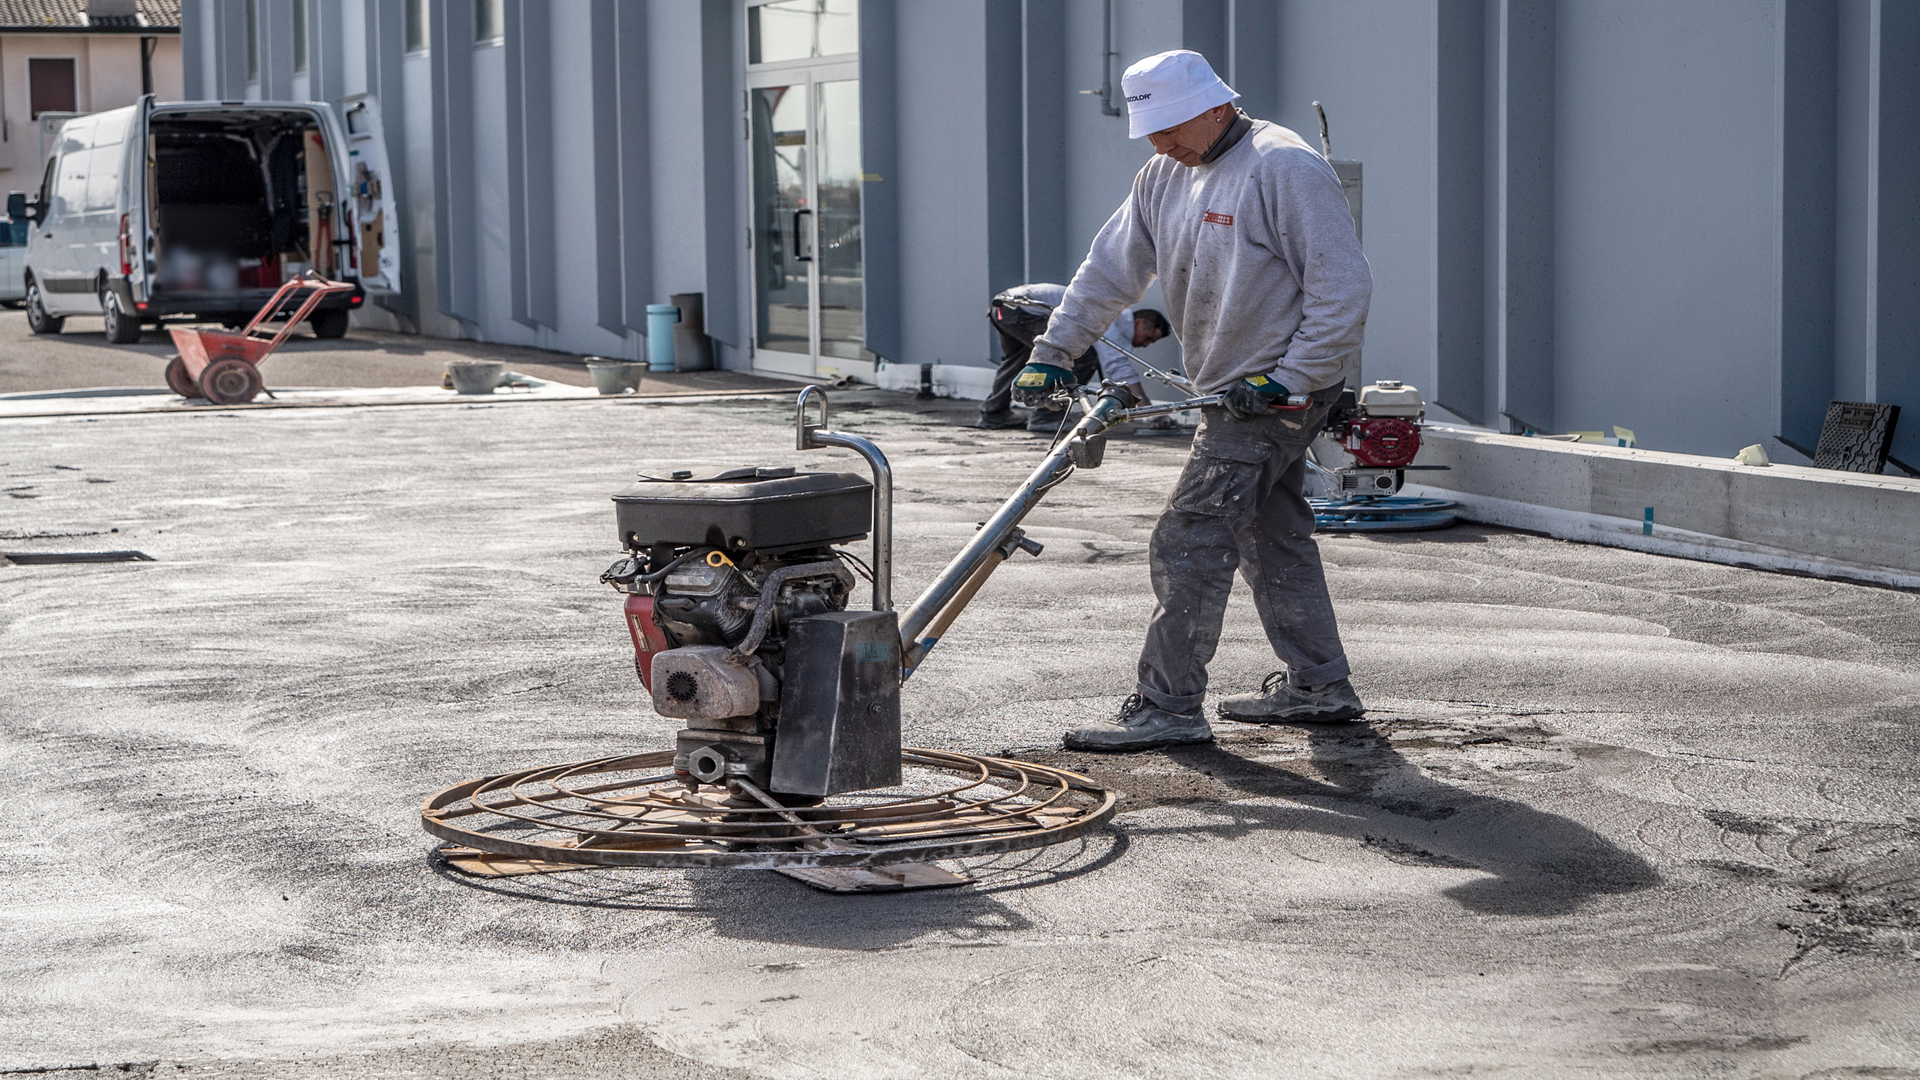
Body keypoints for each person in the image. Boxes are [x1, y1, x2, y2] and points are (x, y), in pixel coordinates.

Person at [1015, 50, 1373, 752]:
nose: (1160, 143)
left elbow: (1342, 290)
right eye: (1150, 131)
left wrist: (1293, 379)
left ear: (1217, 107)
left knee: (1190, 536)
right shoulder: (1164, 173)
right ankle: (1321, 684)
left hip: (1276, 392)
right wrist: (1054, 351)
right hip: (1227, 384)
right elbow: (1110, 267)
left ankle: (1168, 704)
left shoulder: (1283, 167)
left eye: (1172, 127)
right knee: (1268, 534)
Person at [977, 284, 1170, 432]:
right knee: (1079, 356)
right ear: (1140, 322)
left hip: (1005, 306)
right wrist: (1148, 412)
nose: (1145, 345)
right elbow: (1117, 366)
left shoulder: (1108, 313)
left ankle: (993, 414)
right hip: (1023, 308)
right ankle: (1046, 417)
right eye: (1149, 338)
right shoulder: (1112, 318)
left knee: (1017, 360)